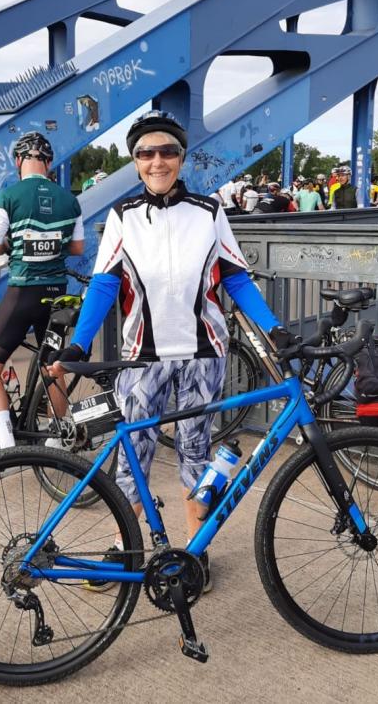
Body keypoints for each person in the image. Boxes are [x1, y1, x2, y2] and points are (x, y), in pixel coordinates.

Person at [48, 110, 290, 592]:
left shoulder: (208, 211)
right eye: (146, 153)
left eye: (167, 151)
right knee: (132, 455)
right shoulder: (123, 217)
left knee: (196, 453)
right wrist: (78, 342)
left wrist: (274, 329)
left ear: (181, 157)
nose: (157, 161)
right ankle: (123, 548)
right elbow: (104, 284)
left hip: (204, 354)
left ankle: (194, 552)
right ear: (135, 162)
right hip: (143, 357)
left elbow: (236, 278)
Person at [0, 131, 84, 451]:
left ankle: (7, 445)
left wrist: (15, 243)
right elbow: (77, 248)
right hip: (57, 294)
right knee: (53, 366)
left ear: (18, 161)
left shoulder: (9, 195)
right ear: (48, 163)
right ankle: (55, 441)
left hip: (23, 292)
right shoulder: (69, 199)